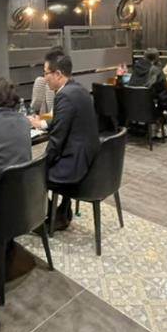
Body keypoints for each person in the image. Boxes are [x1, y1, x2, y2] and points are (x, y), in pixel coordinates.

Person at [29, 53, 100, 230]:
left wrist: (42, 164)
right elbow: (64, 120)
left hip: (75, 163)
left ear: (58, 74)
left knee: (31, 175)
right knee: (40, 167)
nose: (44, 78)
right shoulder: (78, 89)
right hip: (89, 157)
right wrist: (42, 124)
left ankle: (51, 216)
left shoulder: (64, 96)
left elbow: (57, 140)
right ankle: (62, 211)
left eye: (46, 73)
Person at [128, 48, 167, 138]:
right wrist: (163, 108)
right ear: (157, 58)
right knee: (165, 101)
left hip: (131, 109)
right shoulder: (157, 71)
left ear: (144, 57)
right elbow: (163, 93)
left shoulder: (136, 68)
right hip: (149, 110)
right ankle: (159, 127)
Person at [31, 46, 64, 115]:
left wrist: (40, 119)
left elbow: (55, 116)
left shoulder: (67, 90)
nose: (46, 78)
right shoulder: (42, 81)